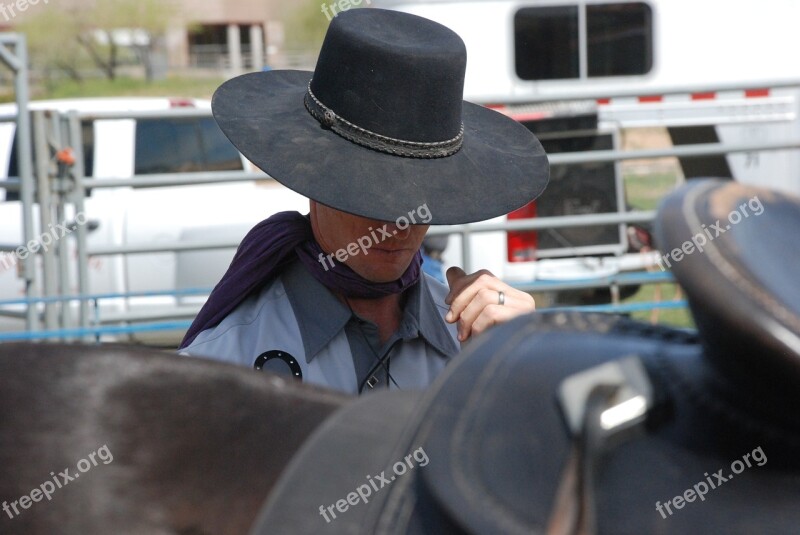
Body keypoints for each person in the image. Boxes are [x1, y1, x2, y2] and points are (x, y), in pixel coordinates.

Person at [179, 8, 549, 395]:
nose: (398, 222)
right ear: (314, 181)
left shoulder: (481, 345)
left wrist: (522, 369)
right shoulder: (223, 369)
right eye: (369, 193)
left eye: (420, 194)